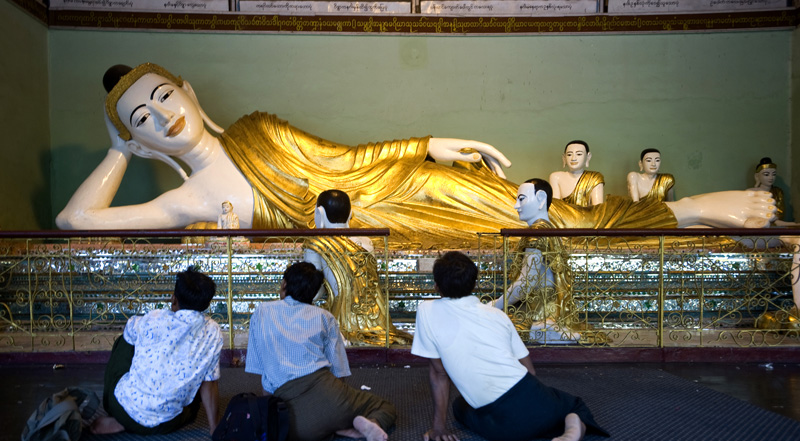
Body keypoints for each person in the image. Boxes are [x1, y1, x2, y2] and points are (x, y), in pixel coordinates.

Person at [55, 62, 520, 248]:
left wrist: (426, 146)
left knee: (496, 201)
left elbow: (344, 160)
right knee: (479, 238)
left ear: (188, 92)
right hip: (354, 238)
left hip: (385, 186)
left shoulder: (259, 129)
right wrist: (119, 151)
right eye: (141, 121)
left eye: (164, 96)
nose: (162, 117)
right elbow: (75, 220)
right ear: (142, 144)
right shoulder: (187, 200)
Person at [412, 251, 608, 441]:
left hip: (503, 428)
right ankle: (573, 423)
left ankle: (552, 424)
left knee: (460, 407)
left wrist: (438, 427)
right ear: (474, 284)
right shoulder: (498, 315)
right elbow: (529, 370)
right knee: (573, 405)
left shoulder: (426, 311)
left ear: (436, 286)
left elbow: (439, 373)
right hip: (535, 398)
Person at [245, 261, 397, 441]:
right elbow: (339, 371)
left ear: (283, 285)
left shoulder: (261, 312)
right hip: (328, 394)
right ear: (316, 292)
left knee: (297, 425)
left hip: (290, 423)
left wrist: (269, 412)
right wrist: (342, 404)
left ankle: (334, 427)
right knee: (384, 406)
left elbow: (261, 370)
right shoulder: (325, 317)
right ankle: (365, 424)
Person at [91, 267, 223, 436]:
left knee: (126, 338)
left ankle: (122, 418)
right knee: (197, 388)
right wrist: (215, 427)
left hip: (121, 408)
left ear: (173, 299)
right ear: (206, 304)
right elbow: (209, 382)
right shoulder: (212, 330)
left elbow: (131, 330)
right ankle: (135, 420)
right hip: (167, 422)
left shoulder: (153, 318)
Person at [303, 190, 412, 346]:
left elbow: (313, 292)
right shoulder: (366, 241)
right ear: (350, 214)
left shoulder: (316, 244)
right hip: (376, 320)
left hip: (341, 321)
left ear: (319, 213)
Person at [493, 179, 582, 343]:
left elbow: (527, 282)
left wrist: (495, 306)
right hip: (546, 306)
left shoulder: (536, 233)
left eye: (521, 199)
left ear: (541, 199)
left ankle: (546, 329)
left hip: (540, 311)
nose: (516, 206)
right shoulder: (548, 228)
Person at [549, 140, 605, 207]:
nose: (573, 158)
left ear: (588, 157)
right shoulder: (556, 177)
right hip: (562, 217)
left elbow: (598, 210)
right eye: (569, 154)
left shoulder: (595, 178)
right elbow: (556, 208)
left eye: (579, 154)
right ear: (564, 157)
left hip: (588, 216)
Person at [748, 157, 786, 222]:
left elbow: (780, 211)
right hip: (757, 222)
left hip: (775, 221)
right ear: (757, 176)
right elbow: (748, 211)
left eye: (773, 174)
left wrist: (773, 217)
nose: (771, 177)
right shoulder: (751, 192)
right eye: (766, 174)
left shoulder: (777, 191)